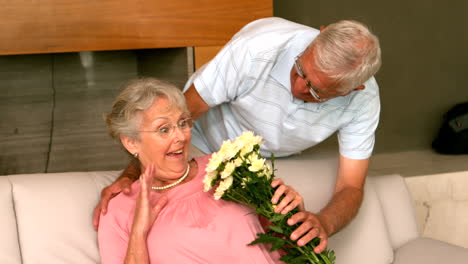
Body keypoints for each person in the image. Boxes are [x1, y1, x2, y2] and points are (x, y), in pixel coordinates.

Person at [95, 17, 382, 254]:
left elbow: (351, 187)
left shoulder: (362, 101)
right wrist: (132, 176)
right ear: (317, 36)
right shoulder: (256, 50)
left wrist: (322, 223)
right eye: (299, 70)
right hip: (204, 143)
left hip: (245, 166)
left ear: (352, 90)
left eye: (316, 91)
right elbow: (180, 119)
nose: (297, 87)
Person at [98, 78, 310, 263]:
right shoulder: (118, 210)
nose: (180, 137)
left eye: (183, 123)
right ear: (132, 142)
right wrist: (139, 232)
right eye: (164, 129)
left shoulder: (227, 168)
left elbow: (288, 248)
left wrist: (292, 217)